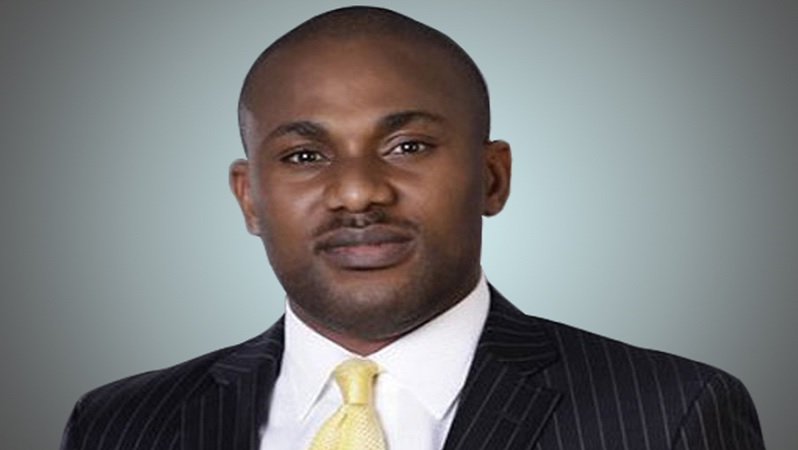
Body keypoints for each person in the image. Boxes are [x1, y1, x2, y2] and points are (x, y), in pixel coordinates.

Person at [60, 6, 765, 450]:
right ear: (250, 199)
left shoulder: (671, 415)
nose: (358, 192)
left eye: (408, 146)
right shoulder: (119, 426)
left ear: (491, 178)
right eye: (304, 156)